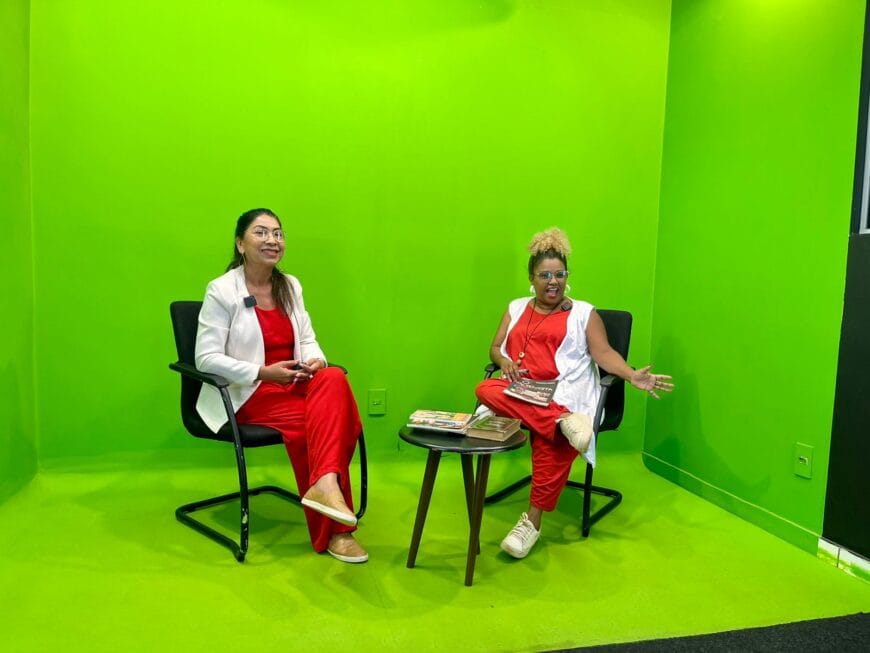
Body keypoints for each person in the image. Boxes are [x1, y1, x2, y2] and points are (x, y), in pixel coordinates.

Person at [475, 228, 673, 559]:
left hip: (562, 392)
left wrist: (631, 375)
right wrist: (504, 361)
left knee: (550, 439)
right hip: (523, 392)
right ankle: (562, 420)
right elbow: (495, 348)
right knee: (485, 388)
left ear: (567, 277)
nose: (553, 281)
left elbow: (603, 354)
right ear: (531, 278)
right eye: (545, 275)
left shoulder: (583, 313)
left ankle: (531, 522)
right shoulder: (515, 307)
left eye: (560, 274)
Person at [194, 208, 368, 563]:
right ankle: (337, 532)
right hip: (247, 392)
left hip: (292, 384)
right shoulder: (221, 290)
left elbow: (308, 339)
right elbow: (205, 359)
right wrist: (263, 372)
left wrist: (315, 361)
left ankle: (325, 485)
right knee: (323, 424)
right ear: (240, 244)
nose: (272, 240)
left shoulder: (290, 286)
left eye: (278, 233)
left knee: (333, 376)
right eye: (261, 232)